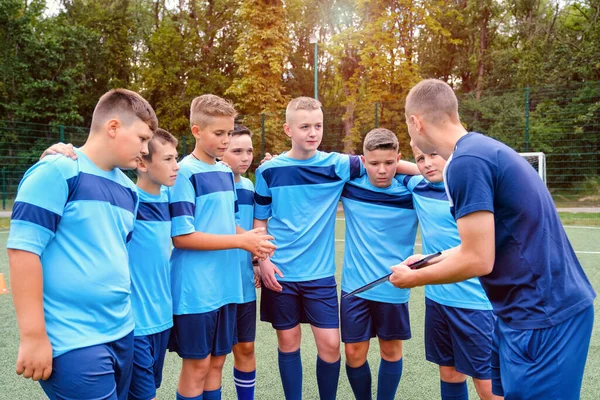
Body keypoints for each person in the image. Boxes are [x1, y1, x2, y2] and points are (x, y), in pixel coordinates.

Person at [391, 79, 596, 399]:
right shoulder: (478, 150)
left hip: (544, 317)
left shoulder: (465, 164)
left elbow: (478, 259)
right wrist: (423, 263)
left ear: (416, 122)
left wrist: (411, 280)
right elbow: (480, 245)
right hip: (519, 313)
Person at [254, 97, 418, 400]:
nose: (312, 132)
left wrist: (426, 169)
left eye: (318, 126)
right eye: (305, 127)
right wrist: (260, 261)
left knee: (331, 347)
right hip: (280, 272)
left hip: (320, 277)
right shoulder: (269, 171)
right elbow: (259, 223)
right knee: (288, 343)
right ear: (289, 129)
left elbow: (380, 161)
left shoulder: (337, 165)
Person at [7, 88, 157, 399]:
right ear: (113, 127)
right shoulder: (58, 170)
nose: (145, 149)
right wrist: (33, 336)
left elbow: (112, 255)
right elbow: (23, 251)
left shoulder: (130, 192)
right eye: (142, 138)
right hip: (72, 338)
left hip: (123, 331)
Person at [168, 94, 275, 400]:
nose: (226, 140)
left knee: (217, 363)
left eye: (229, 133)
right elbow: (182, 236)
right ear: (196, 131)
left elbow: (226, 223)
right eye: (219, 134)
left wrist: (255, 242)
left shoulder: (225, 172)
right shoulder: (183, 173)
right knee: (197, 366)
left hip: (224, 286)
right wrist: (241, 240)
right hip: (196, 289)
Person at [404, 143, 494, 400]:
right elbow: (392, 164)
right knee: (450, 373)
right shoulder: (417, 186)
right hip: (438, 301)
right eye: (420, 158)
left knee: (487, 383)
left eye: (434, 155)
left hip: (475, 303)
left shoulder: (470, 190)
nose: (427, 163)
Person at [340, 128, 417, 400]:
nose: (382, 170)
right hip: (355, 288)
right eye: (373, 163)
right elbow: (314, 167)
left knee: (390, 351)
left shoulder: (412, 189)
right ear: (363, 160)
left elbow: (445, 172)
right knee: (353, 353)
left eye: (389, 162)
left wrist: (409, 170)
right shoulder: (349, 185)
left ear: (399, 158)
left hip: (393, 287)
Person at [128, 128, 180, 400]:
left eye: (176, 158)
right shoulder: (128, 201)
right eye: (168, 159)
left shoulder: (168, 199)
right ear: (142, 163)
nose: (176, 166)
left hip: (162, 320)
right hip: (135, 324)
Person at [221, 124, 258, 399]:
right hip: (217, 285)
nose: (245, 157)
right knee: (215, 358)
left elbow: (255, 228)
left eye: (249, 151)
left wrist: (256, 263)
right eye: (237, 151)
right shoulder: (209, 182)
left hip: (244, 282)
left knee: (245, 348)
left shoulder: (249, 186)